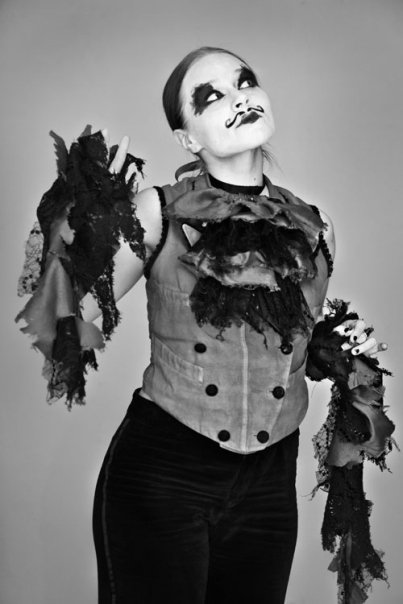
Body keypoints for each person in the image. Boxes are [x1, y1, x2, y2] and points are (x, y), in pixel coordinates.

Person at [16, 47, 392, 604]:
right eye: (211, 96)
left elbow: (280, 343)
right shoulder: (157, 212)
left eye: (245, 82)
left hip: (269, 487)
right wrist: (87, 226)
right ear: (187, 139)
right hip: (163, 475)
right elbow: (68, 324)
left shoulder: (315, 227)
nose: (239, 97)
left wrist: (335, 349)